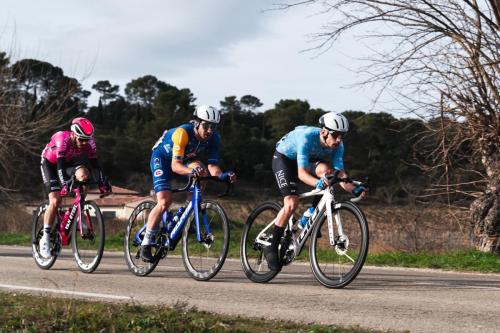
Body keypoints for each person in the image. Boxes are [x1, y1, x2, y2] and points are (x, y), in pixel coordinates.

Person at [265, 112, 367, 271]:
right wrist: (317, 183)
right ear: (323, 132)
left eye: (342, 136)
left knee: (329, 173)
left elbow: (340, 174)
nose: (339, 140)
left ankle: (312, 213)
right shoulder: (307, 137)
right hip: (285, 159)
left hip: (308, 159)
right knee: (291, 202)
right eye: (336, 135)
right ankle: (271, 247)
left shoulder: (338, 145)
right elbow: (302, 174)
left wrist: (354, 189)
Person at [140, 105, 237, 262]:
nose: (210, 130)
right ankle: (146, 242)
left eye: (213, 126)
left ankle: (187, 210)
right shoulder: (182, 133)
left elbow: (213, 166)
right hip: (163, 160)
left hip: (185, 158)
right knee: (165, 201)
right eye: (206, 125)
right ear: (196, 123)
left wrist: (223, 176)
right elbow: (175, 166)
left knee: (203, 173)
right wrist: (191, 172)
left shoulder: (214, 138)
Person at [39, 117, 112, 259]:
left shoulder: (89, 142)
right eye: (81, 140)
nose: (84, 143)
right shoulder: (62, 139)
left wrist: (102, 182)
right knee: (55, 201)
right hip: (50, 164)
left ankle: (77, 213)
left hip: (68, 163)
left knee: (84, 178)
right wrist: (65, 184)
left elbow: (95, 165)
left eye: (87, 140)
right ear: (73, 134)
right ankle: (45, 238)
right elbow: (59, 167)